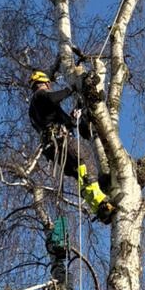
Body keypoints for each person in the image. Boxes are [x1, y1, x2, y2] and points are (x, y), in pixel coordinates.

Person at [27, 70, 114, 222]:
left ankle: (99, 208)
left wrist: (75, 111)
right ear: (44, 83)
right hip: (61, 142)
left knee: (80, 174)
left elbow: (66, 122)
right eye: (48, 85)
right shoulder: (39, 96)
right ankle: (102, 204)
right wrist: (71, 88)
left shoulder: (37, 109)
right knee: (86, 163)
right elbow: (53, 98)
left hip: (54, 150)